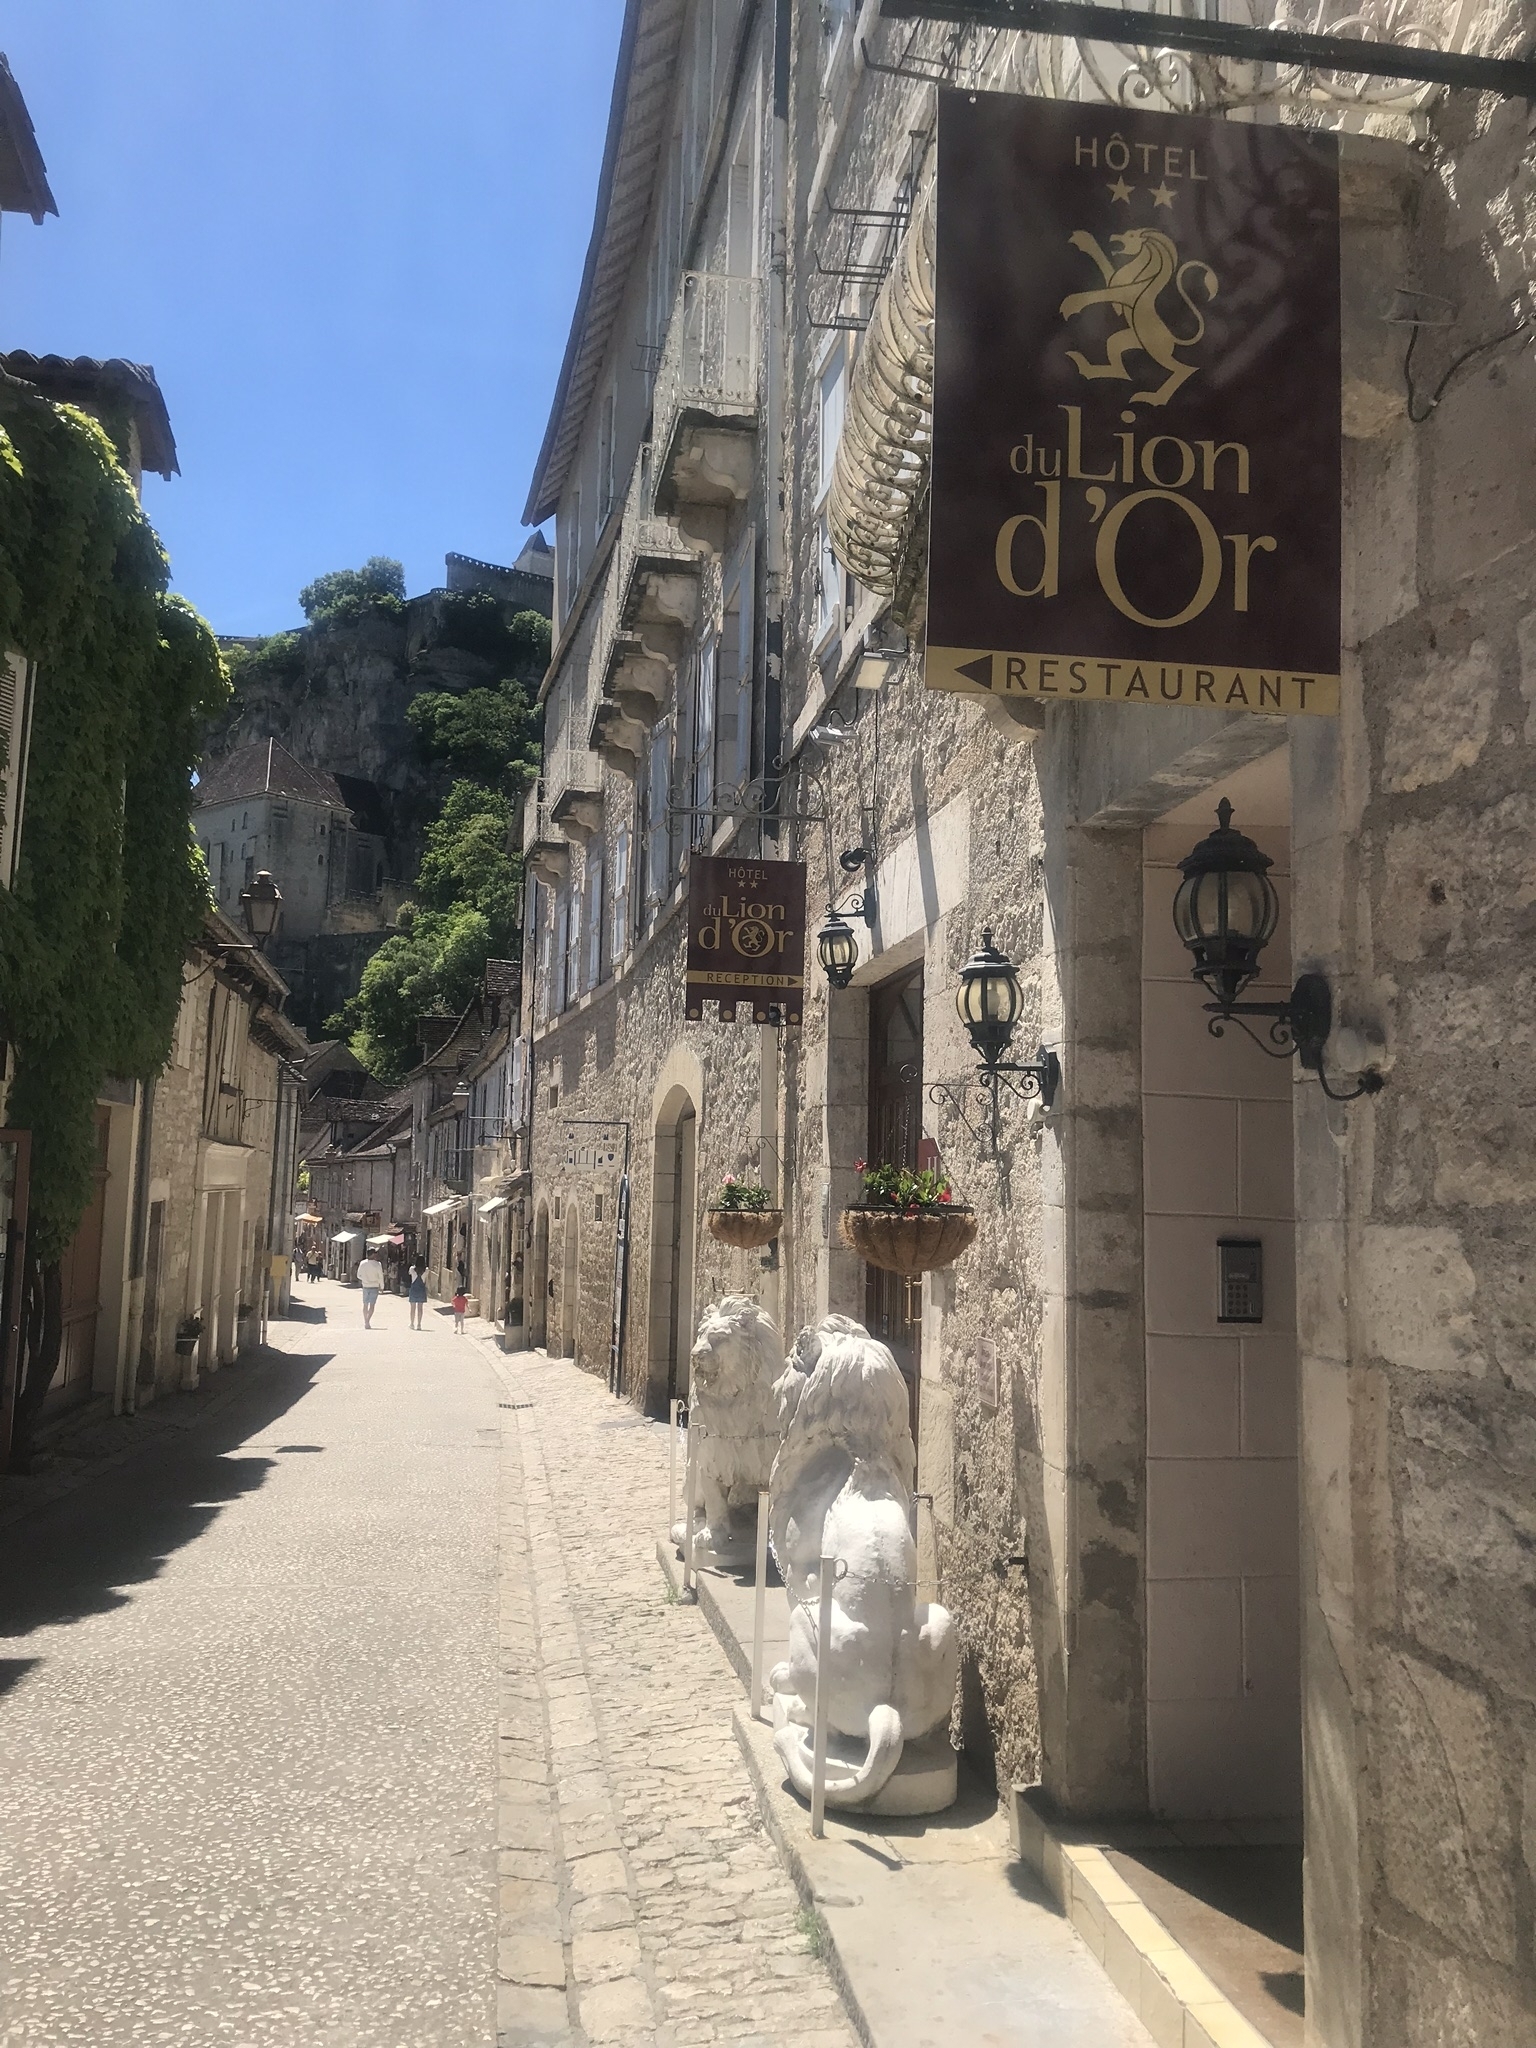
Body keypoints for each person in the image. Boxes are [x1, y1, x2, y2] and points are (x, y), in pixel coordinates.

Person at [356, 1251, 385, 1328]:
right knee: (372, 1305)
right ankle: (367, 1321)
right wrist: (382, 1286)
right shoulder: (378, 1264)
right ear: (373, 1254)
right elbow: (380, 1276)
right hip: (374, 1286)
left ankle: (366, 1321)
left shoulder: (363, 1263)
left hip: (365, 1286)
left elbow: (358, 1275)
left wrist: (364, 1279)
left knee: (365, 1304)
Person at [406, 1262, 427, 1331]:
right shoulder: (426, 1270)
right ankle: (419, 1324)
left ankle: (412, 1323)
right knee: (420, 1308)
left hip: (414, 1290)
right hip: (421, 1290)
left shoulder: (412, 1269)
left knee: (412, 1308)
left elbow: (409, 1273)